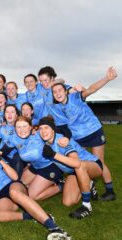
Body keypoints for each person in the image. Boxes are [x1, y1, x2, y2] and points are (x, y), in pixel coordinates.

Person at [0, 139, 71, 240]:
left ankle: (54, 227)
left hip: (12, 186)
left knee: (13, 193)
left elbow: (14, 177)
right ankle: (29, 216)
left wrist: (0, 160)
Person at [51, 67, 118, 201]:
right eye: (54, 92)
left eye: (60, 90)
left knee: (98, 161)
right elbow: (64, 127)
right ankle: (89, 185)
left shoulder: (75, 97)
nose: (57, 93)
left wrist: (107, 79)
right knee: (80, 164)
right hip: (78, 138)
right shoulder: (58, 108)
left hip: (93, 132)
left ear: (65, 91)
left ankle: (110, 191)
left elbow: (91, 90)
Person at [38, 117, 103, 219]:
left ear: (53, 129)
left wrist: (54, 155)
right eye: (40, 128)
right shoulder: (45, 142)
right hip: (74, 172)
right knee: (68, 202)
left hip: (91, 165)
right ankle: (89, 184)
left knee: (80, 166)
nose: (43, 131)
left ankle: (87, 206)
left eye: (46, 127)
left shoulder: (61, 141)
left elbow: (76, 163)